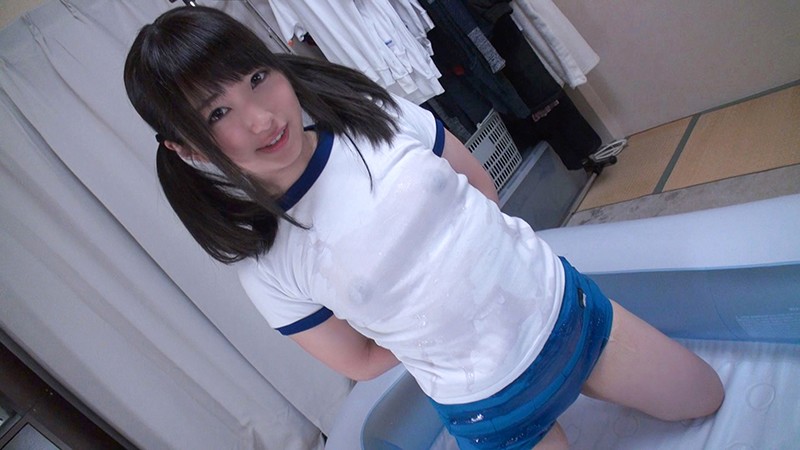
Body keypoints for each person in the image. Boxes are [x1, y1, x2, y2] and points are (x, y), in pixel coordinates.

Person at [124, 6, 724, 449]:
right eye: (218, 113)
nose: (261, 119)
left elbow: (481, 191)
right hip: (491, 403)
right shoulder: (265, 262)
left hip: (567, 310)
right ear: (188, 148)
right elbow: (361, 361)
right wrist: (430, 322)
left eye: (257, 78)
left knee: (705, 399)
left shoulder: (374, 117)